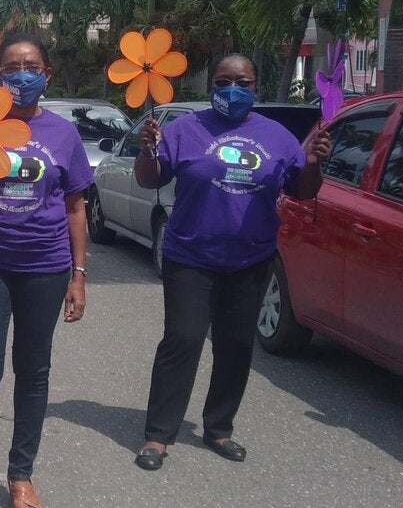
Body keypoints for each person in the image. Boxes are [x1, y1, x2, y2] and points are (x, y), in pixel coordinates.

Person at [132, 54, 332, 471]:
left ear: (255, 87)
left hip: (250, 260)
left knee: (236, 345)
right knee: (182, 340)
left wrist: (314, 161)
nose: (232, 89)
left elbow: (304, 191)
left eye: (242, 81)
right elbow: (151, 179)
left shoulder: (277, 138)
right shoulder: (185, 129)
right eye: (223, 81)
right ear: (212, 87)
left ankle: (219, 427)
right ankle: (158, 434)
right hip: (190, 256)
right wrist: (147, 151)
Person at [0, 33, 90, 508]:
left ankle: (20, 475)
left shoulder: (64, 135)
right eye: (11, 68)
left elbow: (75, 207)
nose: (21, 75)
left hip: (46, 268)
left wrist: (78, 274)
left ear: (46, 74)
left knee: (33, 371)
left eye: (31, 66)